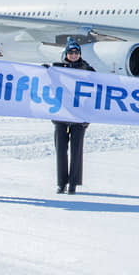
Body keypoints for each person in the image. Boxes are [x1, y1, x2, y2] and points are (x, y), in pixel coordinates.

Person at [51, 39, 94, 194]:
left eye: (76, 53)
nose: (73, 55)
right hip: (61, 116)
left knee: (76, 150)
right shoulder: (57, 68)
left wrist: (87, 116)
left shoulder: (88, 70)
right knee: (61, 151)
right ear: (66, 54)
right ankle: (61, 182)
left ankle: (73, 183)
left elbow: (95, 92)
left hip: (79, 117)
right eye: (70, 52)